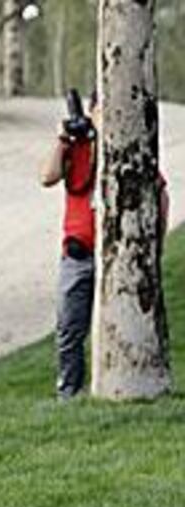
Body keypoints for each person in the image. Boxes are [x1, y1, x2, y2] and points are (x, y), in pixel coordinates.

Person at [40, 91, 169, 399]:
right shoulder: (77, 146)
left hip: (117, 255)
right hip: (78, 254)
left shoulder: (128, 149)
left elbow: (160, 195)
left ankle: (120, 387)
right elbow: (47, 177)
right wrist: (63, 139)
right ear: (91, 110)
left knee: (119, 325)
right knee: (70, 328)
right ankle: (68, 393)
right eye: (100, 110)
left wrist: (156, 245)